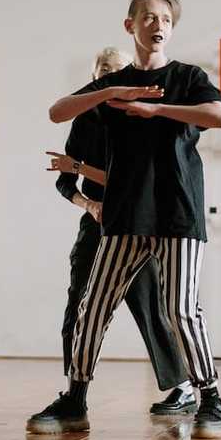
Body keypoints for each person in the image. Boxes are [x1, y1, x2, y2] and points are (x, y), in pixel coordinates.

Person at [27, 0, 221, 439]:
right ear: (131, 25)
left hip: (178, 211)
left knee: (180, 309)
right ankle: (75, 397)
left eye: (165, 20)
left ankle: (210, 397)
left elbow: (220, 117)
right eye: (149, 18)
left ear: (172, 29)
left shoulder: (187, 77)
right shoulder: (110, 85)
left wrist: (154, 111)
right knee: (93, 305)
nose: (158, 25)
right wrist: (106, 94)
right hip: (124, 214)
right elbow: (57, 112)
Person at [47, 46, 196, 415]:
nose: (106, 76)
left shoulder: (137, 120)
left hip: (136, 223)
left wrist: (79, 167)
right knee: (79, 305)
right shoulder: (83, 120)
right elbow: (65, 182)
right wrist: (90, 205)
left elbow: (125, 179)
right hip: (96, 224)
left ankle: (183, 389)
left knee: (153, 308)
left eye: (112, 71)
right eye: (101, 71)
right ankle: (74, 391)